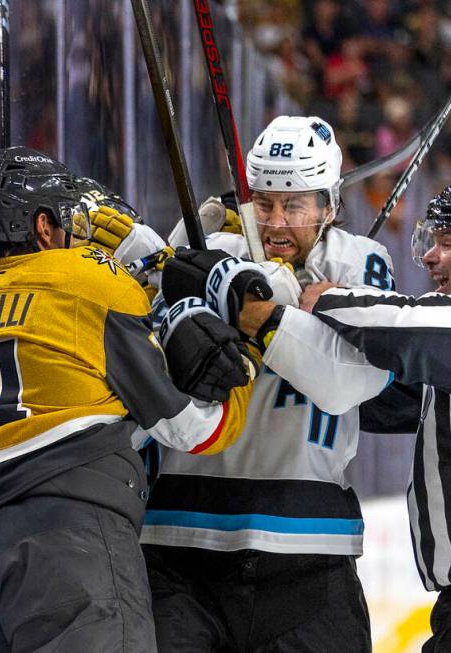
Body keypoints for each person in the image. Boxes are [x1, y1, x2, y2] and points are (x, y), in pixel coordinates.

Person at [204, 180, 451, 652]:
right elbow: (367, 392)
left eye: (446, 244)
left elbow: (401, 324)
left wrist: (313, 294)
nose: (427, 257)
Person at [0, 146, 263, 652]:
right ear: (43, 225)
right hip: (68, 538)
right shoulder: (88, 279)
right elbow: (193, 430)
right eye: (66, 219)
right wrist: (247, 351)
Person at [141, 115, 394, 652]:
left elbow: (353, 381)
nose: (277, 224)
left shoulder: (361, 261)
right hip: (182, 541)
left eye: (295, 205)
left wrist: (248, 305)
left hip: (306, 552)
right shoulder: (205, 246)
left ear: (329, 206)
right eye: (265, 203)